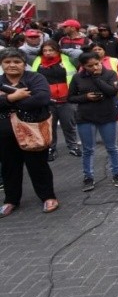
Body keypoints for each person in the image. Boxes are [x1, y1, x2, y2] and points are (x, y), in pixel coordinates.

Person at [0, 48, 58, 217]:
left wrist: (6, 102)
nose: (12, 65)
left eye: (17, 62)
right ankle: (11, 200)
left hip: (32, 130)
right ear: (2, 64)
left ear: (24, 64)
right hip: (4, 133)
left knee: (38, 165)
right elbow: (28, 99)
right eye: (7, 62)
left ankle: (48, 197)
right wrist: (13, 97)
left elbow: (41, 98)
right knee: (9, 167)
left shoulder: (35, 78)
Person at [67, 52, 118, 191]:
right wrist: (86, 97)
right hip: (86, 117)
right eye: (90, 66)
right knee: (88, 149)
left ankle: (117, 174)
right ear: (83, 66)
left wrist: (97, 78)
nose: (94, 67)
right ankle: (88, 177)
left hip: (107, 115)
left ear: (101, 61)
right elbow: (71, 97)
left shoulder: (110, 74)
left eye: (97, 64)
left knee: (111, 147)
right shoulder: (77, 77)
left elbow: (112, 92)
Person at [31, 40, 81, 161]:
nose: (47, 53)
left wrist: (63, 50)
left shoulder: (68, 58)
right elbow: (23, 50)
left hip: (67, 99)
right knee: (49, 126)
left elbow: (79, 52)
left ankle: (73, 146)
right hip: (47, 100)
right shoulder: (37, 60)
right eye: (45, 50)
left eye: (51, 50)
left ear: (57, 50)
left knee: (69, 124)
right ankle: (51, 148)